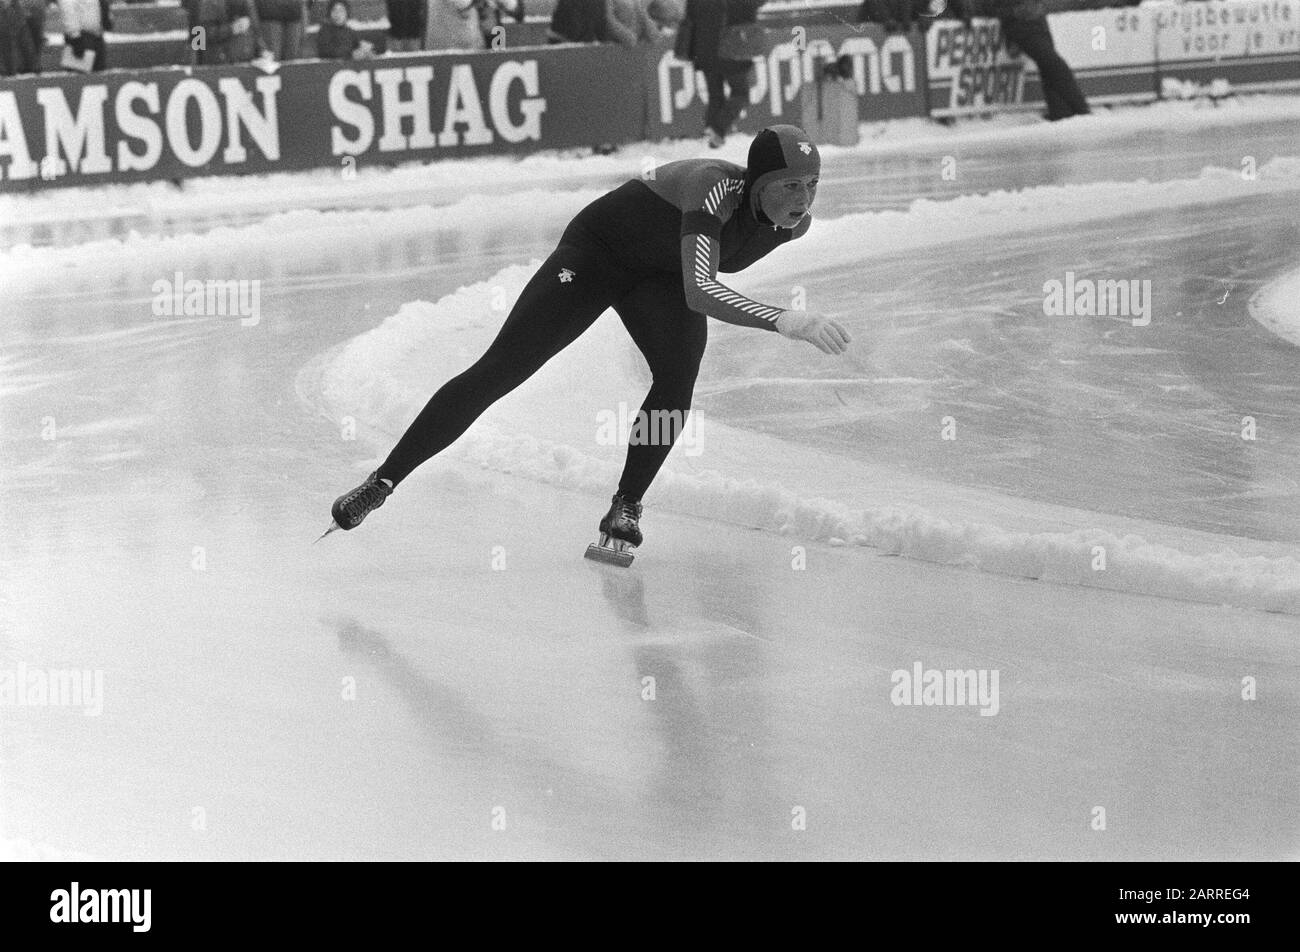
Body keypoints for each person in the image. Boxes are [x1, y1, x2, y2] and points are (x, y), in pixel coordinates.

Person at [324, 125, 851, 559]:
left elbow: (688, 279)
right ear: (758, 181)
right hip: (596, 257)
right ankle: (383, 482)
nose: (801, 201)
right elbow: (700, 288)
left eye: (811, 186)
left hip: (659, 277)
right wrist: (784, 320)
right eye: (789, 186)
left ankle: (626, 505)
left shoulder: (791, 227)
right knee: (502, 370)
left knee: (676, 379)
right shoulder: (713, 186)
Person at [677, 0, 756, 148]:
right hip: (730, 50)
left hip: (705, 52)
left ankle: (711, 134)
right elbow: (750, 8)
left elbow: (690, 19)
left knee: (715, 95)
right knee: (741, 93)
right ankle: (718, 130)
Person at [57, 0, 111, 71]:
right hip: (81, 38)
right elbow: (68, 12)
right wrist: (75, 37)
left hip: (96, 35)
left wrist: (106, 19)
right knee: (78, 74)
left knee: (98, 72)